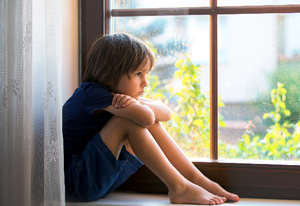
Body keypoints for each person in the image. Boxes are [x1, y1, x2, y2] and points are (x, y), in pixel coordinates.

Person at [63, 33, 240, 205]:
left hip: (94, 180)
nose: (145, 82)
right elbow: (147, 117)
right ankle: (179, 186)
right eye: (138, 74)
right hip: (75, 182)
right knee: (130, 120)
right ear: (109, 76)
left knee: (142, 118)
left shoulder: (118, 97)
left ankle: (196, 179)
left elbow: (166, 114)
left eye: (146, 73)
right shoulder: (92, 94)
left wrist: (135, 102)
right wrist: (137, 105)